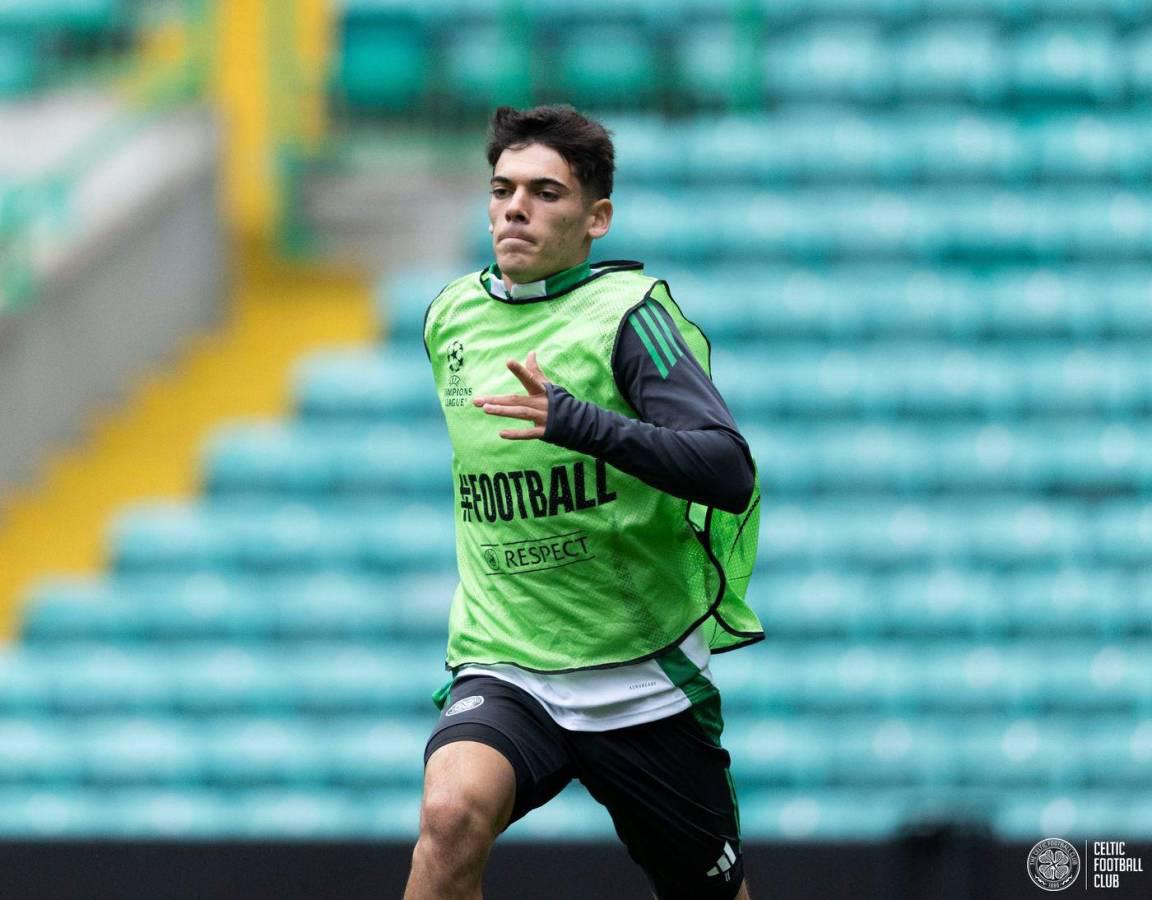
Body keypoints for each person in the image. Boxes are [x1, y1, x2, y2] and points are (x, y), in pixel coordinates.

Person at [406, 104, 764, 900]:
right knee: (451, 812)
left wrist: (578, 422)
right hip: (510, 658)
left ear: (596, 216)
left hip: (640, 674)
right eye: (502, 190)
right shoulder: (448, 317)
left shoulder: (632, 316)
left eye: (544, 192)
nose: (515, 208)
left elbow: (725, 466)